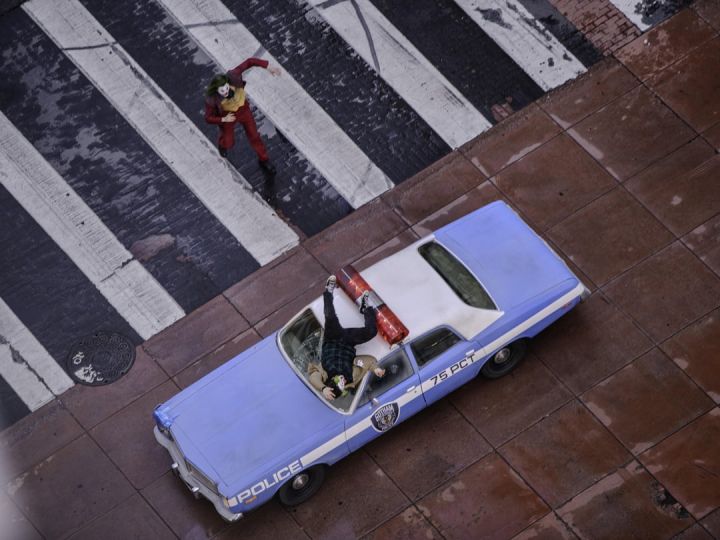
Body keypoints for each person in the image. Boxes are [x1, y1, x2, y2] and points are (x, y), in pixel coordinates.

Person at [310, 276, 385, 401]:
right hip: (349, 341)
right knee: (372, 331)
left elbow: (313, 377)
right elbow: (364, 361)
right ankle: (366, 308)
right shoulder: (351, 377)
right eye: (343, 384)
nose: (343, 381)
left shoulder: (324, 375)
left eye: (340, 381)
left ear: (332, 380)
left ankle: (328, 290)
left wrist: (323, 388)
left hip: (332, 338)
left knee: (330, 316)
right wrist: (375, 368)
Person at [204, 58, 280, 174]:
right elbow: (208, 118)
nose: (225, 91)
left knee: (254, 136)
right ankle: (222, 143)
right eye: (222, 90)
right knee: (229, 142)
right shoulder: (212, 99)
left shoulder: (233, 76)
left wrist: (268, 66)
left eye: (226, 88)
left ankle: (264, 159)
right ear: (216, 90)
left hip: (244, 110)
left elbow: (250, 61)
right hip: (228, 115)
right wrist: (223, 119)